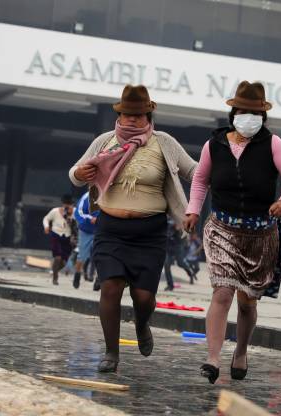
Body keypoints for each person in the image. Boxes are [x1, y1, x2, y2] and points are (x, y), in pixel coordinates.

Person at [70, 85, 196, 373]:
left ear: (148, 116)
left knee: (143, 297)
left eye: (137, 116)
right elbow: (75, 174)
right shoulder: (105, 141)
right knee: (111, 288)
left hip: (149, 232)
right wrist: (80, 173)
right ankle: (111, 353)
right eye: (126, 114)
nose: (131, 120)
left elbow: (194, 171)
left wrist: (220, 168)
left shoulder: (164, 142)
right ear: (119, 114)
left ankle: (142, 324)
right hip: (110, 229)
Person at [184, 81, 281, 384]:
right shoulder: (215, 145)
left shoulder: (274, 144)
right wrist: (193, 210)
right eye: (243, 111)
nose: (248, 116)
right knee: (222, 291)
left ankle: (241, 350)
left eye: (255, 112)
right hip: (222, 228)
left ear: (263, 116)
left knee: (247, 300)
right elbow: (200, 181)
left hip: (260, 235)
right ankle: (212, 359)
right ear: (233, 112)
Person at [43, 194, 76, 286]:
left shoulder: (75, 213)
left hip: (67, 237)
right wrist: (46, 226)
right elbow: (46, 218)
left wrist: (71, 217)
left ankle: (54, 270)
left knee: (64, 262)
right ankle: (55, 277)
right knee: (58, 257)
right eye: (66, 204)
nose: (67, 206)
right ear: (63, 204)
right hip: (56, 234)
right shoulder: (55, 211)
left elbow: (77, 224)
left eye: (69, 204)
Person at [73, 191, 99, 288]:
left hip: (101, 230)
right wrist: (90, 218)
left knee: (101, 255)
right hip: (86, 230)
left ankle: (98, 279)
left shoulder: (110, 194)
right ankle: (77, 274)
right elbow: (78, 212)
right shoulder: (87, 196)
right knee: (82, 256)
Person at [164, 217, 196, 290]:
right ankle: (170, 285)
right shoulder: (168, 222)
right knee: (166, 265)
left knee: (180, 263)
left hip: (177, 247)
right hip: (168, 247)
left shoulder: (181, 223)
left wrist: (179, 230)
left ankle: (190, 273)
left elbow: (185, 236)